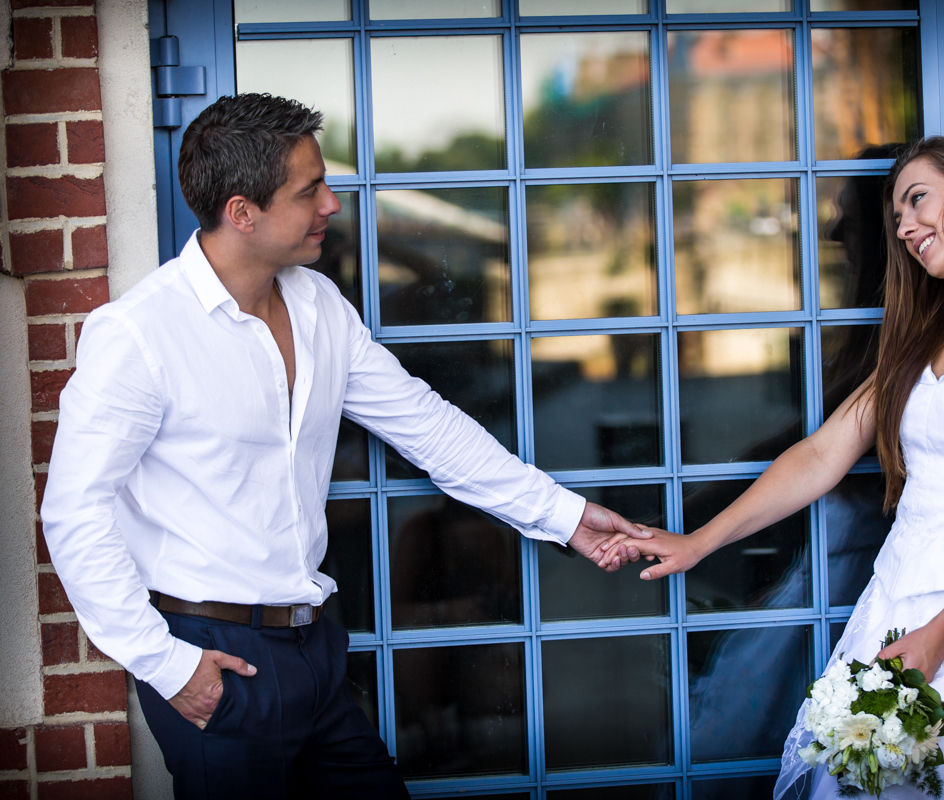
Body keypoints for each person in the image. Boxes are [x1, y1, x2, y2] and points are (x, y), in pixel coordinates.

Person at [40, 93, 646, 800]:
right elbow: (74, 515)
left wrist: (566, 517)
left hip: (316, 650)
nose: (331, 202)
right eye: (309, 190)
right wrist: (169, 666)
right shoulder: (140, 334)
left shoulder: (319, 305)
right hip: (214, 653)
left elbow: (427, 425)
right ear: (243, 212)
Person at [608, 137, 944, 798]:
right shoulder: (926, 332)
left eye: (917, 199)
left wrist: (943, 634)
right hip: (890, 611)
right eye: (895, 217)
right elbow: (820, 455)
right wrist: (699, 541)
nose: (906, 226)